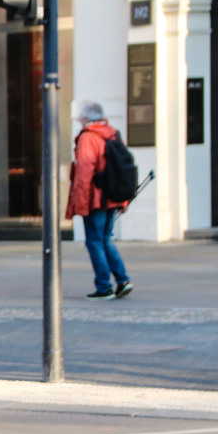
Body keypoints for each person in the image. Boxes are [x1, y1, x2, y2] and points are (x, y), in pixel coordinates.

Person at [66, 101, 133, 300]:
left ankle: (104, 287)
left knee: (94, 241)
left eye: (80, 119)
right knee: (105, 239)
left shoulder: (88, 137)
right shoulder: (112, 133)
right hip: (112, 197)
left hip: (95, 199)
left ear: (86, 119)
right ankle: (123, 280)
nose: (79, 122)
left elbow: (84, 174)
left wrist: (79, 204)